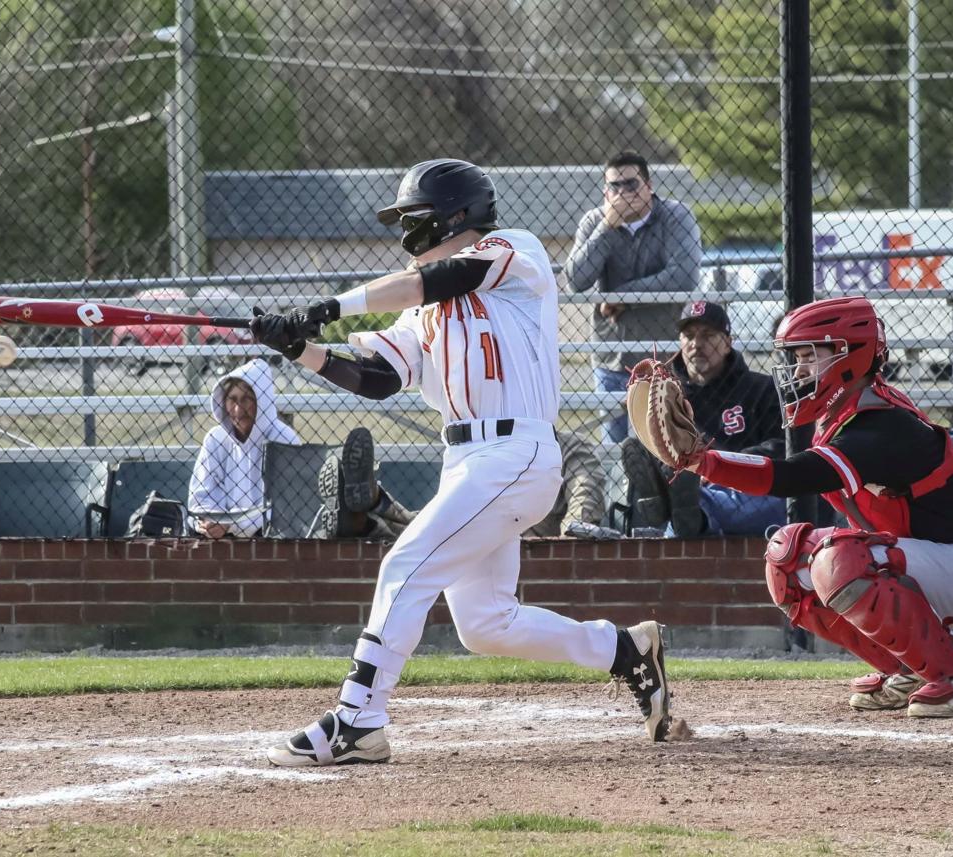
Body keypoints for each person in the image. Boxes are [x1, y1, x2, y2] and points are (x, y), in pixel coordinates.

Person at [249, 158, 673, 766]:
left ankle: (358, 719)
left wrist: (328, 307)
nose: (406, 234)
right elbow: (375, 378)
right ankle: (625, 651)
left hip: (516, 452)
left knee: (404, 567)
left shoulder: (512, 252)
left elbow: (441, 279)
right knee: (484, 623)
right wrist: (302, 349)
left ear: (455, 216)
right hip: (467, 460)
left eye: (416, 220)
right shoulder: (420, 311)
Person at [674, 296, 953, 717]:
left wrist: (702, 460)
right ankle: (909, 666)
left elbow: (787, 477)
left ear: (847, 356)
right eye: (795, 359)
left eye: (806, 357)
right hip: (933, 564)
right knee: (787, 558)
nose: (797, 371)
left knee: (840, 560)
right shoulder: (843, 418)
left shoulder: (880, 423)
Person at [564, 151, 702, 443]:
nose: (624, 192)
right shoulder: (594, 223)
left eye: (631, 184)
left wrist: (623, 296)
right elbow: (576, 280)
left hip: (664, 356)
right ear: (605, 191)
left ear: (649, 185)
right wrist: (606, 227)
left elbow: (684, 276)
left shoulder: (676, 216)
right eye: (615, 186)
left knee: (664, 445)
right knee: (615, 450)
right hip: (612, 357)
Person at [621, 300, 786, 537]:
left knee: (700, 504)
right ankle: (681, 508)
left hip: (745, 487)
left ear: (728, 343)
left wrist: (719, 467)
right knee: (650, 451)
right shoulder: (666, 398)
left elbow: (782, 446)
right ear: (680, 342)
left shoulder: (762, 388)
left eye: (708, 335)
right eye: (688, 336)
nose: (696, 344)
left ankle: (686, 512)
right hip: (687, 489)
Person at [320, 426, 616, 540]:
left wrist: (574, 529)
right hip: (480, 533)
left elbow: (585, 486)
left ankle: (370, 514)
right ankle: (367, 511)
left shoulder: (569, 446)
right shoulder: (491, 445)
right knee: (434, 527)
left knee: (431, 533)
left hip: (535, 542)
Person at [189, 358, 300, 538]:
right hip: (222, 538)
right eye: (232, 399)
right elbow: (201, 496)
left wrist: (231, 524)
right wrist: (212, 519)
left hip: (272, 539)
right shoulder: (215, 439)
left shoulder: (284, 439)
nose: (238, 410)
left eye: (247, 399)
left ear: (262, 401)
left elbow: (290, 506)